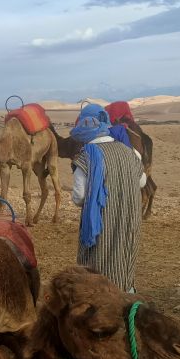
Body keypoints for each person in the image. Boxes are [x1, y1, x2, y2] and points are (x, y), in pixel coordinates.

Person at [71, 103, 146, 293]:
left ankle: (100, 303)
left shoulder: (85, 157)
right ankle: (125, 299)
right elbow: (142, 182)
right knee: (124, 260)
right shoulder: (131, 153)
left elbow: (79, 198)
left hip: (101, 224)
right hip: (129, 220)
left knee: (98, 263)